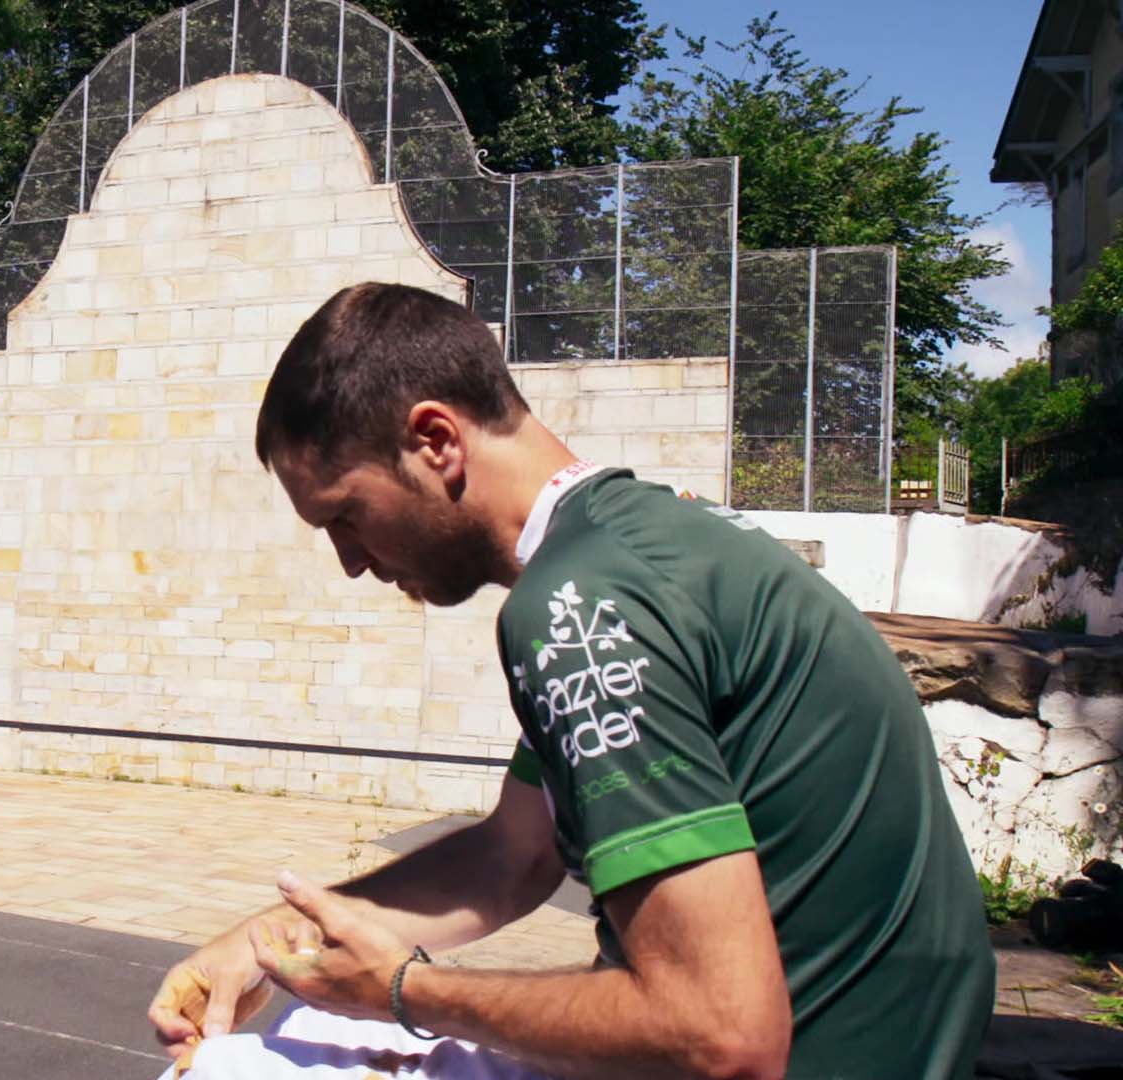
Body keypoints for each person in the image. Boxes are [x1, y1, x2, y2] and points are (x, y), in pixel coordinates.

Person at [147, 283, 994, 1079]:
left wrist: (403, 991)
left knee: (227, 1068)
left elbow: (721, 1034)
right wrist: (270, 940)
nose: (351, 562)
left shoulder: (576, 611)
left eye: (346, 514)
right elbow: (513, 856)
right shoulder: (647, 548)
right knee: (316, 1022)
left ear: (436, 441)